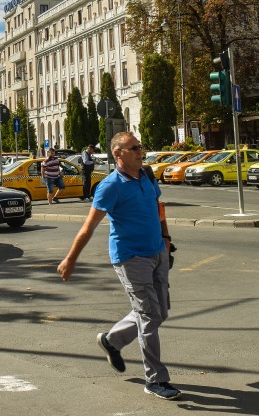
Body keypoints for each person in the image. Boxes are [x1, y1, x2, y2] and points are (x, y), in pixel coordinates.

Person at [57, 132, 180, 401]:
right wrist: (71, 258)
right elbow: (88, 227)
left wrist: (166, 239)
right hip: (130, 257)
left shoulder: (147, 175)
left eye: (140, 146)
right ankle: (156, 379)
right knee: (148, 316)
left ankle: (111, 341)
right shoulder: (110, 186)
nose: (140, 151)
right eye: (133, 148)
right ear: (118, 154)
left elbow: (158, 209)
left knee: (159, 313)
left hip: (157, 251)